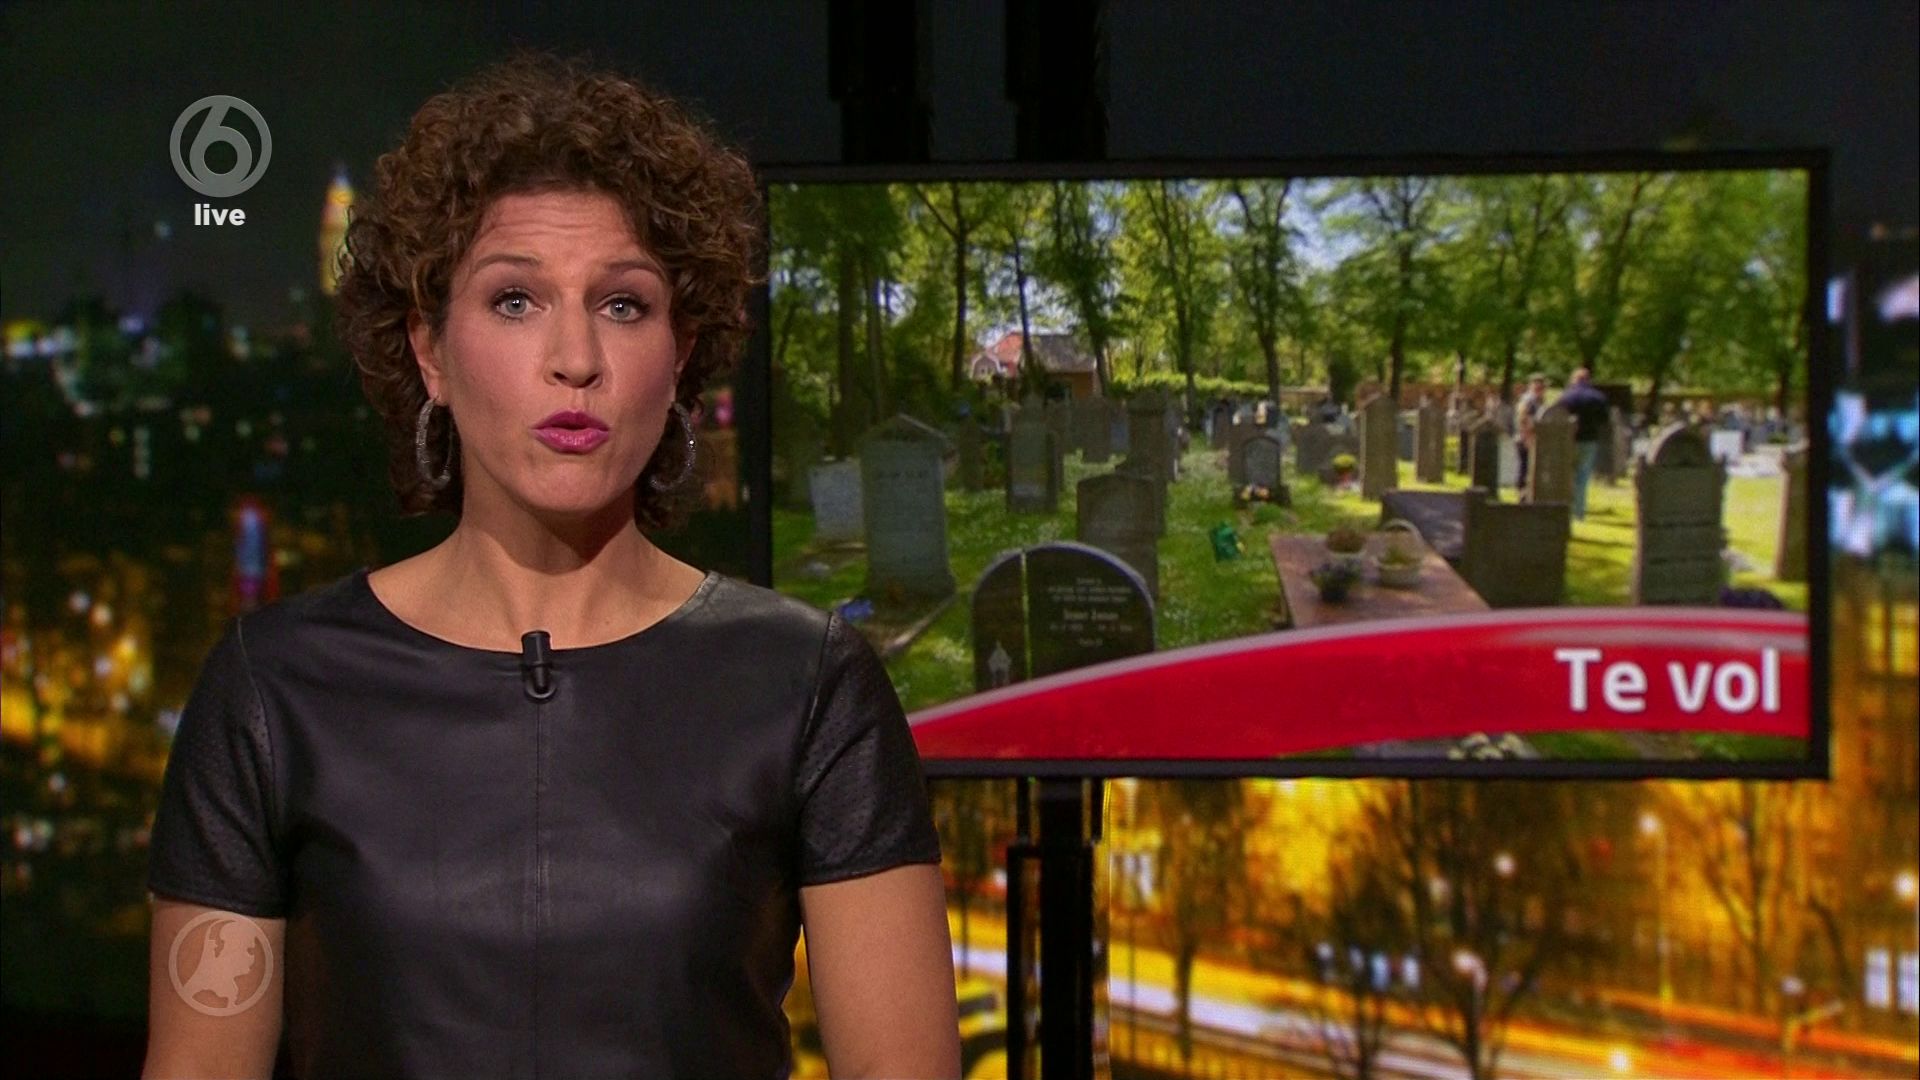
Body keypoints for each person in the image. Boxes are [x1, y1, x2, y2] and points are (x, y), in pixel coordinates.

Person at [143, 52, 961, 1079]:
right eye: (515, 300)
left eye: (623, 305)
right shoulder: (272, 690)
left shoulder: (809, 685)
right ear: (430, 351)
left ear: (681, 353)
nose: (575, 358)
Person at [1551, 367, 1611, 520]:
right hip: (1589, 440)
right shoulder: (1598, 398)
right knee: (1582, 477)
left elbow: (1556, 416)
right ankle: (1578, 511)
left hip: (1568, 440)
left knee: (1566, 475)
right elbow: (1604, 420)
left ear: (1573, 380)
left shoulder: (1565, 397)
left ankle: (1563, 508)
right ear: (1588, 380)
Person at [1514, 373, 1547, 493]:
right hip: (1525, 438)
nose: (1541, 389)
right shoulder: (1529, 400)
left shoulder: (1539, 400)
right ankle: (1522, 492)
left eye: (1542, 387)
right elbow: (1523, 419)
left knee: (1529, 467)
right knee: (1525, 467)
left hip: (1532, 438)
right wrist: (1527, 437)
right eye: (1538, 387)